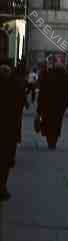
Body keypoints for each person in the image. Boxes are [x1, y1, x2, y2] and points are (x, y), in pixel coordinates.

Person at [0, 64, 25, 200]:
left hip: (8, 130)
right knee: (4, 162)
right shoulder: (15, 87)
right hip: (9, 130)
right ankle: (2, 187)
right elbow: (19, 108)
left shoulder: (15, 86)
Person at [37, 62, 68, 149]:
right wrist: (65, 105)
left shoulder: (48, 77)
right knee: (57, 123)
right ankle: (54, 140)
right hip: (59, 106)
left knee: (48, 122)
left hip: (48, 105)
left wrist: (39, 107)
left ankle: (50, 139)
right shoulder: (66, 79)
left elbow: (42, 92)